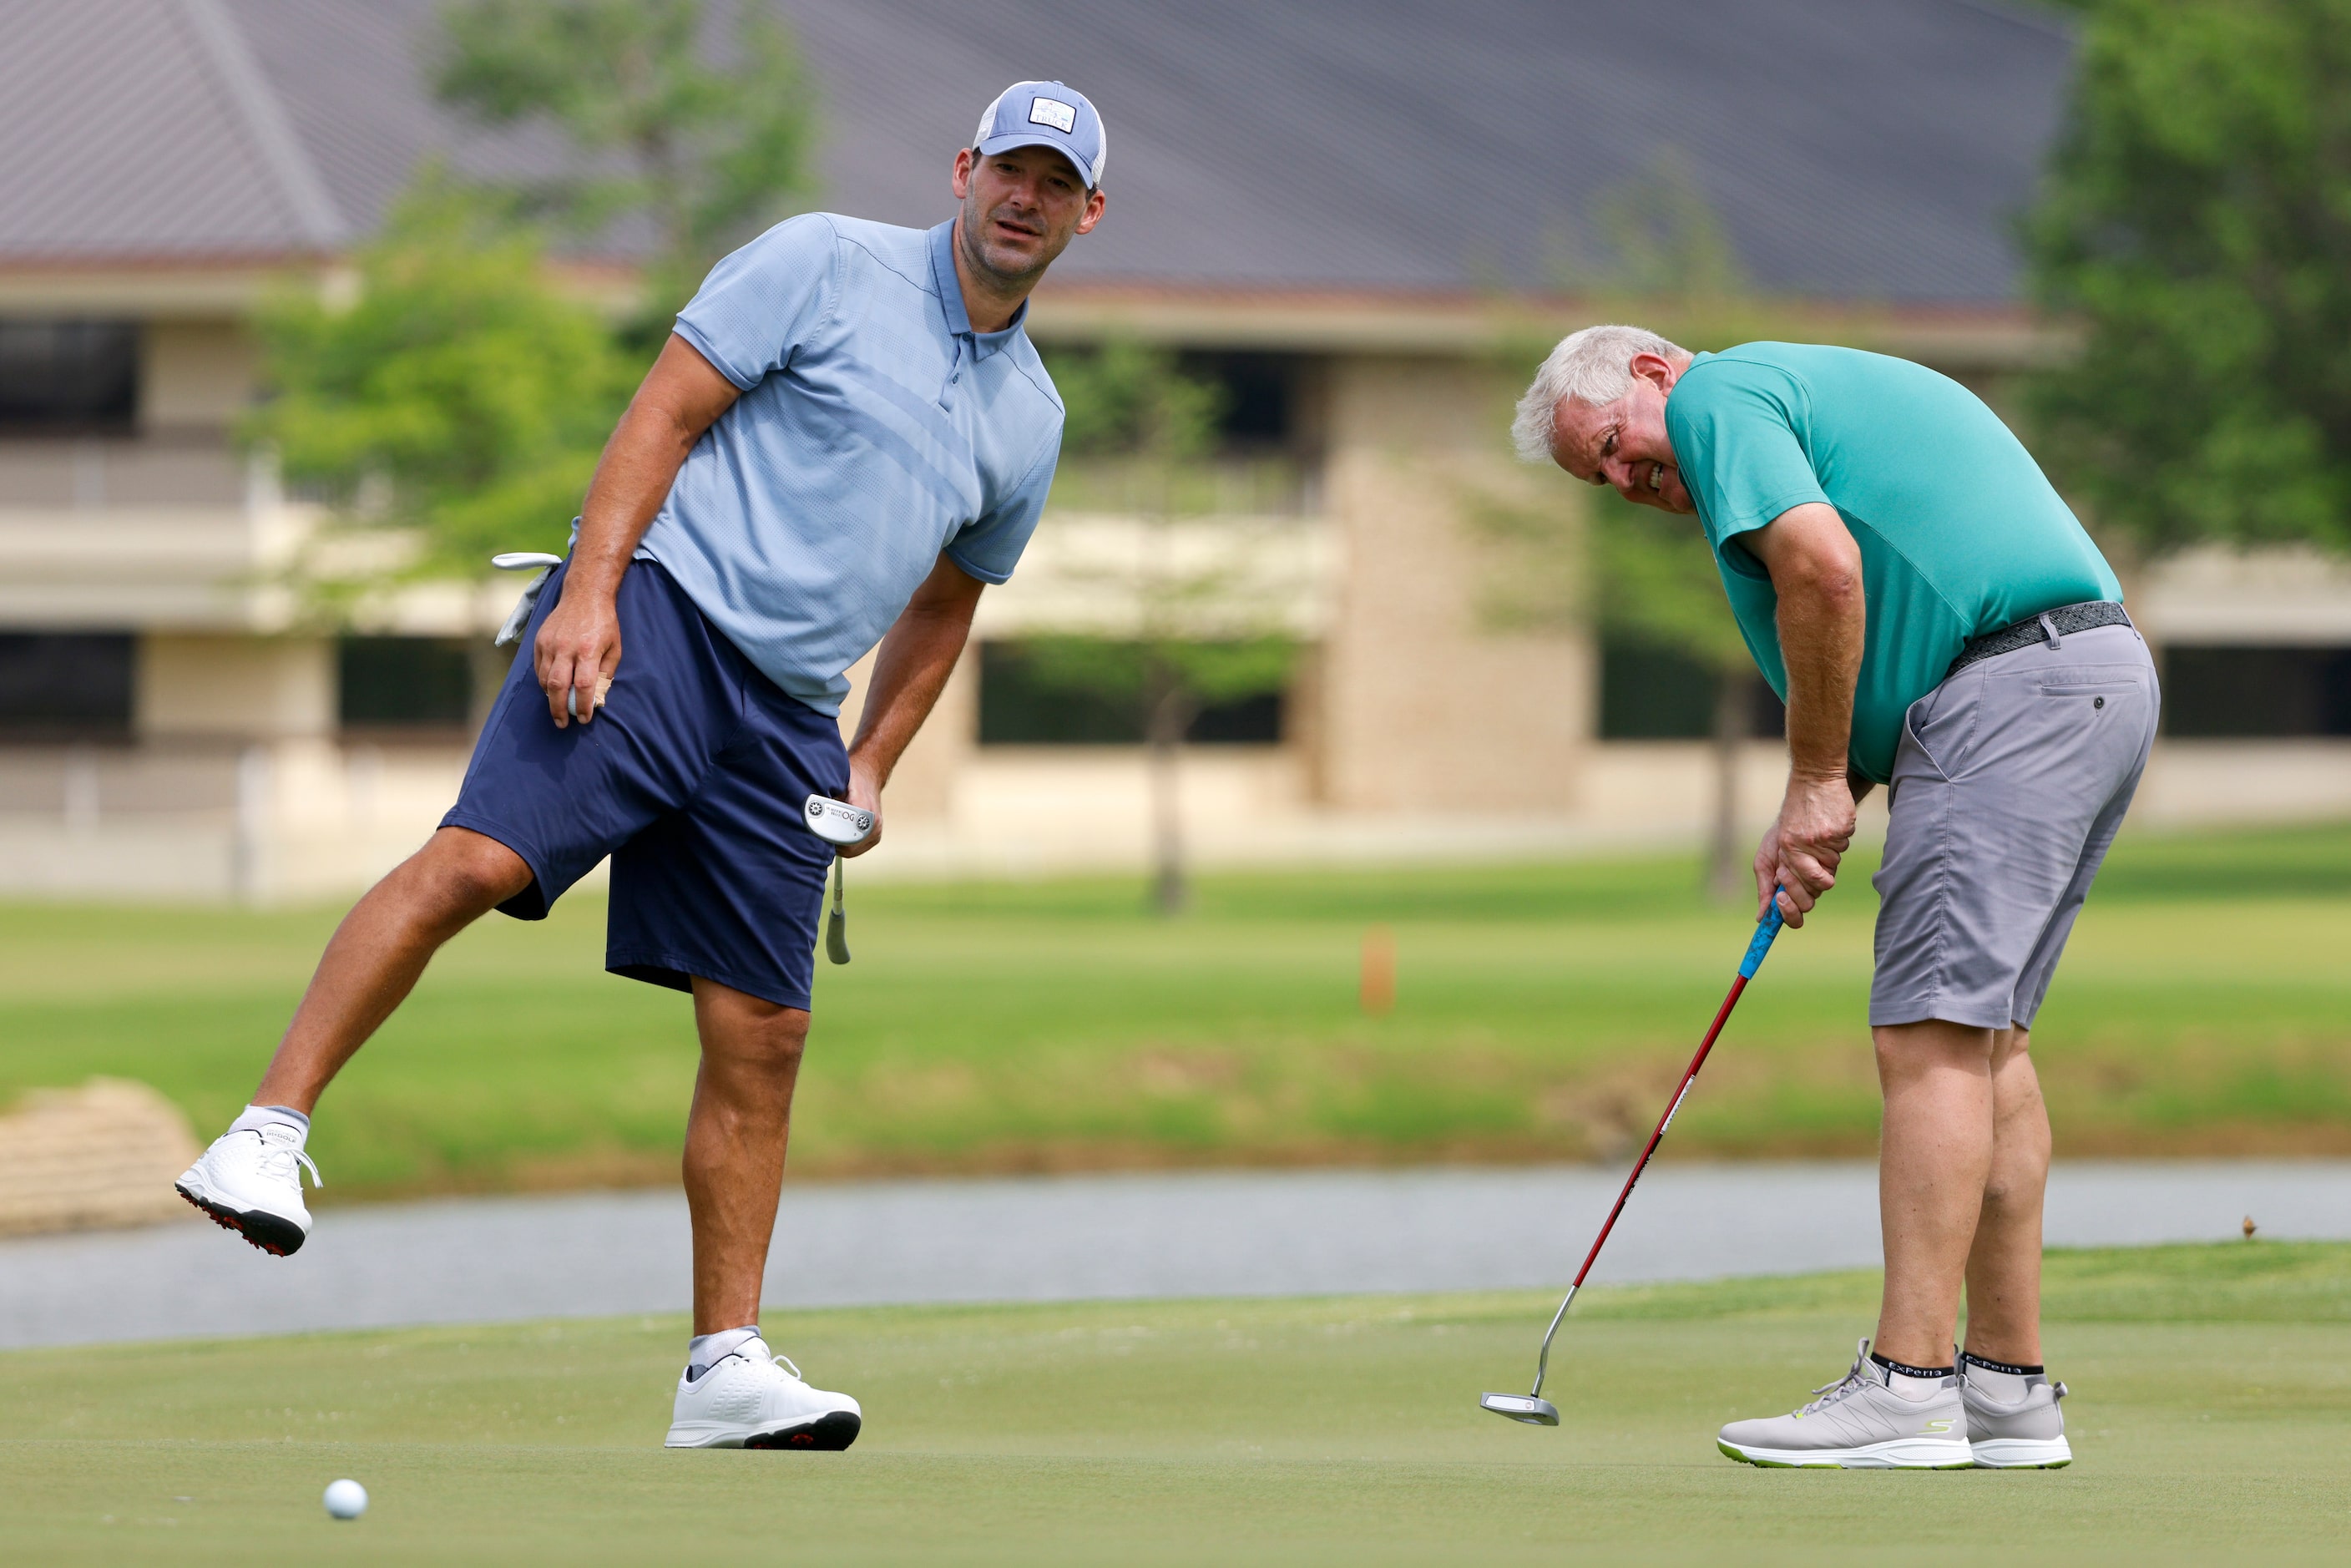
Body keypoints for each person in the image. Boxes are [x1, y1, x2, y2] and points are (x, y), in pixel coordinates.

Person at [174, 81, 1110, 1452]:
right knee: (482, 859)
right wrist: (590, 591)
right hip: (665, 613)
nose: (1024, 199)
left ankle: (722, 1363)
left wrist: (874, 763)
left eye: (1055, 183)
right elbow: (664, 413)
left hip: (788, 712)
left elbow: (950, 598)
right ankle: (263, 1129)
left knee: (766, 1036)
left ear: (1090, 213)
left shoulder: (1030, 414)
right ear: (965, 168)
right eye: (1008, 170)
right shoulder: (824, 261)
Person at [1514, 326, 2158, 1469]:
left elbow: (1826, 570)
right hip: (2086, 676)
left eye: (1614, 445)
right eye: (1600, 479)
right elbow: (1870, 637)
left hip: (2008, 690)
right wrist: (1818, 794)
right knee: (1988, 1039)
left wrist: (1816, 780)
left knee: (1929, 1036)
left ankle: (1907, 1384)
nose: (1625, 482)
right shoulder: (1777, 408)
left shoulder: (1719, 401)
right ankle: (2006, 1391)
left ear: (1658, 372)